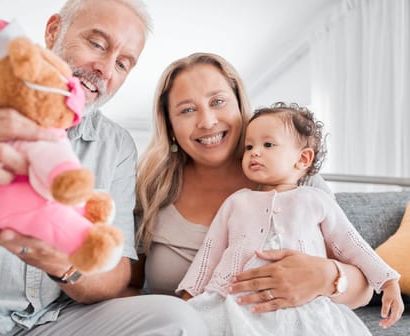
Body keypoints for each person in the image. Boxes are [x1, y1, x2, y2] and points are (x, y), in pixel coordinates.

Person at [0, 1, 210, 336]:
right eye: (97, 44)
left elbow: (118, 268)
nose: (105, 69)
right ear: (52, 32)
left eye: (123, 63)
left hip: (38, 328)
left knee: (178, 324)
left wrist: (60, 264)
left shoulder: (117, 145)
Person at [133, 52, 375, 319]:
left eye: (218, 101)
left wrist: (328, 276)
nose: (207, 121)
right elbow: (127, 288)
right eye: (187, 110)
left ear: (239, 105)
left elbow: (364, 289)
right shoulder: (152, 190)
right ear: (169, 125)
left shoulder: (299, 182)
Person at [176, 102, 404, 336]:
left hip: (303, 303)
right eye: (249, 147)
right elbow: (210, 252)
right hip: (234, 301)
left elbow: (353, 245)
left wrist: (389, 282)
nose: (254, 152)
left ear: (303, 158)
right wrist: (190, 297)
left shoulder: (316, 200)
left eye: (268, 145)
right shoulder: (236, 202)